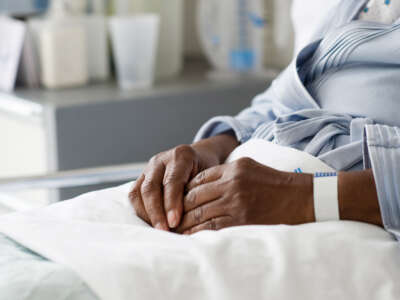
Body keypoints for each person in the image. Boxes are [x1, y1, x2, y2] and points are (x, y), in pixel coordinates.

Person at [130, 0, 400, 238]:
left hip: (348, 211)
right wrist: (211, 148)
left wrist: (307, 198)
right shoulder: (350, 9)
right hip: (247, 182)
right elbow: (287, 98)